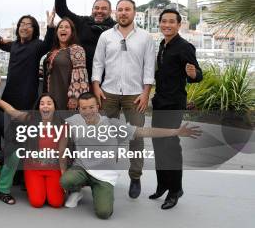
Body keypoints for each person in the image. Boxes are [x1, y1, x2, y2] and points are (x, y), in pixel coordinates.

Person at [59, 93, 201, 219]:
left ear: (98, 107)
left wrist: (175, 131)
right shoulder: (73, 122)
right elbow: (61, 144)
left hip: (103, 175)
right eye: (83, 108)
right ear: (78, 109)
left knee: (104, 213)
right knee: (65, 180)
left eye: (91, 107)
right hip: (82, 169)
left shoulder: (112, 125)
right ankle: (76, 191)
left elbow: (144, 132)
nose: (88, 112)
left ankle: (101, 191)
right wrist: (63, 169)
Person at [91, 0, 156, 199]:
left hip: (135, 94)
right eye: (120, 10)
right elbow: (98, 63)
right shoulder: (106, 36)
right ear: (115, 13)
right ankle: (97, 175)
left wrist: (146, 93)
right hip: (107, 92)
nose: (123, 13)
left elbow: (149, 67)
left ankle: (135, 176)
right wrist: (96, 86)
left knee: (136, 136)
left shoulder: (145, 37)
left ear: (134, 12)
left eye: (127, 9)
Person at [150, 9, 202, 209]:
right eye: (164, 21)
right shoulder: (163, 44)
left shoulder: (184, 47)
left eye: (172, 22)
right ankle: (163, 184)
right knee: (158, 145)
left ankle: (175, 189)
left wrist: (193, 73)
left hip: (174, 104)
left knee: (170, 146)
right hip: (160, 102)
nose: (167, 25)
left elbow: (197, 75)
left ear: (179, 25)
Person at [0, 94, 65, 208]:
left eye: (49, 103)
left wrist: (64, 176)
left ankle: (49, 188)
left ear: (55, 107)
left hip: (53, 168)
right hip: (33, 167)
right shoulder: (31, 119)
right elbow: (12, 111)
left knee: (56, 202)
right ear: (38, 107)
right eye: (42, 103)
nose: (45, 106)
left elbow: (62, 152)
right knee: (37, 202)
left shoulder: (62, 125)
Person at [0, 11, 54, 111]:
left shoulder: (37, 45)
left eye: (28, 25)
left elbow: (48, 44)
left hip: (27, 95)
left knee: (24, 124)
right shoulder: (14, 44)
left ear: (34, 29)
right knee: (5, 123)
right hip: (9, 93)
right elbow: (0, 42)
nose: (24, 27)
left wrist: (50, 26)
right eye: (22, 24)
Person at [54, 0, 116, 82]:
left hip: (109, 80)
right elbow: (61, 9)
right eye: (96, 8)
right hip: (82, 78)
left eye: (104, 8)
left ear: (110, 11)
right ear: (92, 10)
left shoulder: (116, 28)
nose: (99, 11)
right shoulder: (83, 22)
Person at [43, 14, 89, 111]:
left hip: (66, 97)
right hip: (50, 96)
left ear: (72, 32)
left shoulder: (76, 49)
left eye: (67, 27)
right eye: (60, 27)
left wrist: (74, 97)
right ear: (57, 32)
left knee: (66, 123)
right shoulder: (53, 51)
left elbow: (81, 76)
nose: (63, 29)